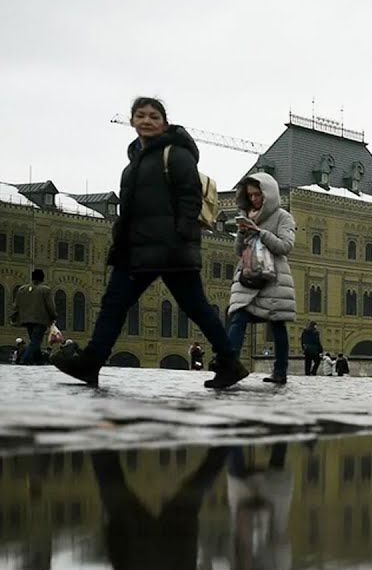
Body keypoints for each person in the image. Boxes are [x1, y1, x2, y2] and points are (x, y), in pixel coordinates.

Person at [52, 97, 248, 390]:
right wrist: (120, 240)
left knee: (197, 308)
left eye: (154, 116)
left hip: (171, 248)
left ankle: (230, 362)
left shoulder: (176, 155)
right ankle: (91, 363)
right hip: (137, 249)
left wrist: (180, 236)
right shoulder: (133, 164)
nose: (146, 120)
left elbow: (190, 197)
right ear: (132, 121)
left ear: (164, 123)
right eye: (140, 115)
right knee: (114, 304)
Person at [92, 446, 227, 570]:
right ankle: (100, 437)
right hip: (138, 546)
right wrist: (113, 533)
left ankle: (227, 447)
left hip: (176, 544)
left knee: (196, 488)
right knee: (111, 484)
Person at [226, 173, 296, 384]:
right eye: (251, 195)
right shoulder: (248, 214)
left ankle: (280, 371)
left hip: (273, 278)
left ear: (268, 194)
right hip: (248, 275)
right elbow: (239, 251)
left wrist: (260, 232)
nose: (255, 199)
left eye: (258, 194)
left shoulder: (283, 217)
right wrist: (241, 232)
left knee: (277, 324)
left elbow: (286, 246)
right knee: (238, 317)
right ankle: (230, 365)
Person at [225, 444, 293, 570]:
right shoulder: (279, 564)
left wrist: (246, 569)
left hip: (245, 501)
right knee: (277, 462)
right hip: (272, 495)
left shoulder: (236, 567)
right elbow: (265, 513)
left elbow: (242, 517)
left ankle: (232, 433)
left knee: (235, 469)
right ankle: (282, 429)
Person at [8, 268, 58, 365]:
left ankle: (39, 361)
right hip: (40, 320)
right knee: (35, 341)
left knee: (34, 340)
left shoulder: (22, 289)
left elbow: (16, 304)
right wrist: (53, 316)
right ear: (42, 278)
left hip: (26, 320)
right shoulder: (45, 290)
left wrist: (13, 316)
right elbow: (50, 306)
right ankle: (24, 359)